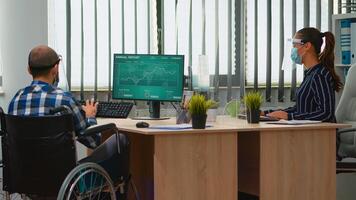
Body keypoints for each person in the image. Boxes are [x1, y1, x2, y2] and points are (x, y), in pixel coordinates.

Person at [8, 45, 130, 198]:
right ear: (55, 69)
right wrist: (90, 115)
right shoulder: (64, 100)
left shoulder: (15, 101)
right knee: (121, 140)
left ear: (28, 69)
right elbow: (93, 141)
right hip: (63, 180)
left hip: (24, 178)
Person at [263, 27, 342, 122]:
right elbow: (300, 109)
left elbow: (326, 113)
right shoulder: (310, 74)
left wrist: (290, 117)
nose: (293, 50)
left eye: (294, 45)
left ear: (307, 46)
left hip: (320, 134)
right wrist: (267, 113)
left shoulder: (319, 75)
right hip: (308, 132)